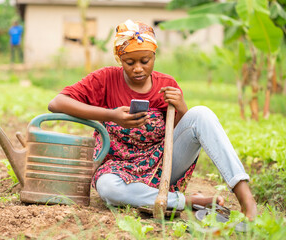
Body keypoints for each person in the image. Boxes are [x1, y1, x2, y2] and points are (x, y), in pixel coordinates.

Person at [48, 20, 257, 220]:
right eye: (130, 62)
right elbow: (57, 103)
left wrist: (182, 108)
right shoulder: (104, 79)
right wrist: (111, 115)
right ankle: (186, 201)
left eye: (144, 61)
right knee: (108, 189)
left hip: (162, 166)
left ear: (154, 56)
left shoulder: (166, 85)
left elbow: (179, 134)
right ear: (120, 59)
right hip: (118, 168)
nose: (138, 68)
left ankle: (245, 198)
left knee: (202, 113)